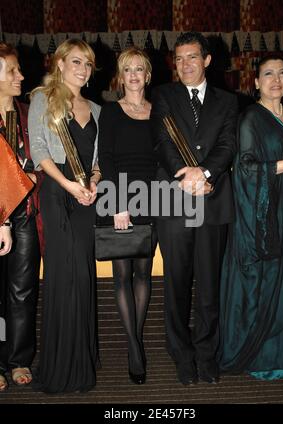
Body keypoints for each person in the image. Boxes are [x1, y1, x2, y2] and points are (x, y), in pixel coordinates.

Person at [150, 32, 238, 385]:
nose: (184, 64)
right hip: (173, 198)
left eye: (192, 57)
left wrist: (205, 172)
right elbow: (161, 140)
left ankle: (206, 353)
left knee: (209, 285)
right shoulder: (164, 95)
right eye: (179, 58)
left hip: (213, 200)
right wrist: (183, 174)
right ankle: (181, 354)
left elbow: (228, 142)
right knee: (176, 282)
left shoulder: (228, 101)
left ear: (207, 60)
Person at [219, 55, 283, 380]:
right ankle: (262, 354)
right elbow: (246, 169)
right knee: (269, 283)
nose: (276, 79)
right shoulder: (251, 119)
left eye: (282, 73)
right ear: (255, 82)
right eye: (268, 74)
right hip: (266, 216)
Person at [28, 39, 101, 393]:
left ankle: (82, 365)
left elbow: (98, 161)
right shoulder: (43, 98)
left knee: (84, 276)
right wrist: (70, 186)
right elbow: (40, 151)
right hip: (57, 193)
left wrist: (94, 183)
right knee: (63, 276)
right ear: (59, 63)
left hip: (85, 197)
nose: (83, 70)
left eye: (87, 64)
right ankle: (59, 367)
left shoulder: (97, 108)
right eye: (76, 62)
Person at [98, 47, 157, 385]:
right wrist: (118, 204)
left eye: (139, 69)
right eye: (127, 69)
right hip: (119, 200)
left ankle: (135, 339)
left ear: (148, 75)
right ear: (121, 77)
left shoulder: (159, 110)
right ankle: (134, 347)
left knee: (143, 275)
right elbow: (106, 159)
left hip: (153, 200)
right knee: (123, 277)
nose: (134, 75)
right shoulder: (111, 111)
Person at [0, 43, 41, 392]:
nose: (21, 76)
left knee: (22, 291)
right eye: (12, 70)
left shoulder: (28, 112)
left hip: (25, 214)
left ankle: (18, 359)